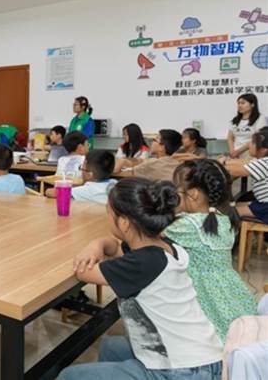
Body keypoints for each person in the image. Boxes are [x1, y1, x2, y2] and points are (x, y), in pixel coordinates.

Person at [58, 178, 223, 380]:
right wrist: (97, 244)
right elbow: (115, 247)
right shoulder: (163, 248)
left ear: (124, 223)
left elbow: (83, 272)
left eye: (108, 213)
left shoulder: (142, 264)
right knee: (111, 347)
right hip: (204, 357)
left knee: (68, 376)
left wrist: (89, 250)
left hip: (183, 371)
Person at [168, 159, 256, 342]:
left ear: (192, 194)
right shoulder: (223, 218)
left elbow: (152, 230)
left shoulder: (189, 224)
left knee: (213, 337)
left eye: (176, 189)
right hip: (232, 292)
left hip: (206, 295)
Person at [222, 128, 268, 221]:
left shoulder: (264, 162)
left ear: (263, 150)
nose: (249, 144)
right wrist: (226, 161)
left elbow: (235, 171)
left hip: (265, 207)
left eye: (253, 143)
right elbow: (243, 162)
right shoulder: (262, 160)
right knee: (237, 204)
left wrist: (222, 162)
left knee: (228, 212)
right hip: (262, 203)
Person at [47, 150, 116, 204]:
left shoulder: (86, 191)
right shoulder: (114, 183)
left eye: (81, 168)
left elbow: (51, 193)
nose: (81, 171)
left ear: (89, 175)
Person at [114, 129, 182, 181]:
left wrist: (122, 161)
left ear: (162, 147)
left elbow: (117, 173)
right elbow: (141, 162)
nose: (152, 142)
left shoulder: (152, 164)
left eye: (154, 140)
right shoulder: (177, 164)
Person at [228, 93, 264, 159]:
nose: (240, 105)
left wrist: (238, 151)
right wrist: (232, 151)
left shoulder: (260, 119)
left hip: (250, 152)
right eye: (238, 103)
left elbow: (256, 139)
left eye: (243, 103)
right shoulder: (234, 120)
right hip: (235, 153)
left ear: (252, 104)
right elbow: (230, 137)